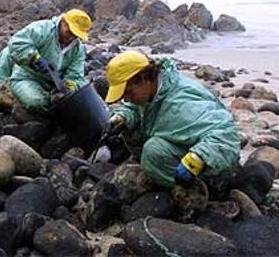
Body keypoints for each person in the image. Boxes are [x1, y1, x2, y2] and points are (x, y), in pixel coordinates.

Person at [100, 50, 241, 188]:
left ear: (144, 79)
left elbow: (227, 134)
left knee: (153, 151)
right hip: (180, 143)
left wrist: (196, 160)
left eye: (128, 92)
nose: (126, 98)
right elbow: (134, 108)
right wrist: (122, 117)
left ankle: (202, 188)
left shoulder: (182, 104)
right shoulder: (153, 90)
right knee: (130, 128)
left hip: (212, 165)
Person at [0, 9, 92, 112]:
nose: (71, 38)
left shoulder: (78, 49)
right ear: (63, 22)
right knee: (36, 102)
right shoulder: (43, 29)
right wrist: (34, 58)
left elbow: (76, 75)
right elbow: (17, 43)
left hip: (55, 85)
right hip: (27, 76)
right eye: (69, 33)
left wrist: (69, 87)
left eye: (76, 35)